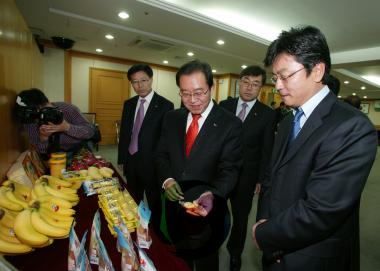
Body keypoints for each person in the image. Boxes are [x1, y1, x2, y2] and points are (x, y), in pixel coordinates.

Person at [253, 25, 377, 271]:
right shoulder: (288, 120)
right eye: (275, 77)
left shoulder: (352, 126)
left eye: (285, 76)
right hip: (275, 247)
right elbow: (271, 178)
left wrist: (266, 233)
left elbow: (323, 209)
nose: (277, 85)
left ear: (317, 70)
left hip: (312, 257)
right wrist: (264, 223)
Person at [156, 60, 243, 271]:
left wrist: (213, 195)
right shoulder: (171, 118)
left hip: (207, 212)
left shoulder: (230, 124)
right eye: (185, 93)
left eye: (199, 92)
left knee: (206, 262)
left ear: (211, 88)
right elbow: (161, 155)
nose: (192, 100)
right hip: (175, 208)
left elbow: (230, 170)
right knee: (180, 257)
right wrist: (167, 180)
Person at [219, 66, 276, 271]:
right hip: (220, 173)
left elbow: (266, 150)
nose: (249, 88)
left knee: (241, 219)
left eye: (255, 84)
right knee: (215, 212)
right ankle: (213, 245)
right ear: (239, 82)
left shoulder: (267, 114)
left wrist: (261, 179)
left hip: (247, 177)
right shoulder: (224, 106)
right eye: (246, 82)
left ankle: (235, 253)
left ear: (260, 88)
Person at [117, 63, 174, 231]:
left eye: (143, 80)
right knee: (134, 199)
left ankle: (156, 235)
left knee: (155, 203)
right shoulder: (129, 104)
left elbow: (166, 140)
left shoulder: (165, 105)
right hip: (131, 162)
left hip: (152, 165)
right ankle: (137, 229)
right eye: (135, 82)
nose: (139, 85)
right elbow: (126, 134)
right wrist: (121, 159)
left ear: (151, 80)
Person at [15, 88, 94, 156]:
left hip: (80, 147)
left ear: (47, 102)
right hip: (57, 153)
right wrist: (44, 138)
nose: (46, 115)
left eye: (46, 110)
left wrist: (67, 127)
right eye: (39, 114)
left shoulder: (67, 109)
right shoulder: (31, 121)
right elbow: (41, 151)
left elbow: (90, 132)